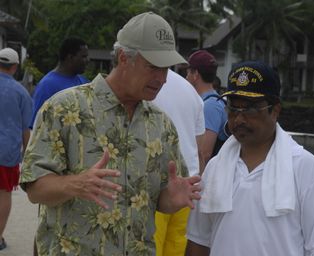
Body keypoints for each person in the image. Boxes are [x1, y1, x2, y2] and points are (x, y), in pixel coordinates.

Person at [20, 12, 201, 256]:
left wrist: (173, 200)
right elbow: (35, 189)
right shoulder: (64, 109)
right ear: (124, 58)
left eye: (166, 69)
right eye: (153, 67)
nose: (163, 79)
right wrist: (75, 184)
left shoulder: (161, 124)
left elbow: (160, 202)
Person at [185, 60, 314, 256]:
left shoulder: (305, 168)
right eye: (233, 108)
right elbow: (198, 241)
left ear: (275, 110)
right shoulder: (216, 168)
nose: (239, 119)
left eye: (250, 109)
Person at [152, 69, 205, 256]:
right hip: (188, 183)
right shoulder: (192, 92)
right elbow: (199, 147)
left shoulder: (147, 87)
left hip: (159, 184)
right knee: (177, 246)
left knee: (153, 244)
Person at [0, 47, 33, 250]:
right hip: (6, 152)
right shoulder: (21, 92)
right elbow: (25, 129)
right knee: (4, 193)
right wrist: (27, 154)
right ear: (14, 67)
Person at [30, 37, 89, 127]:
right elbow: (36, 124)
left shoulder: (84, 82)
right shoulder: (47, 85)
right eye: (83, 56)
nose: (87, 60)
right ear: (70, 57)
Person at [186, 50, 228, 166]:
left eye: (188, 73)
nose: (186, 77)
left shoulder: (210, 106)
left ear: (195, 75)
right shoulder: (211, 101)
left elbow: (204, 153)